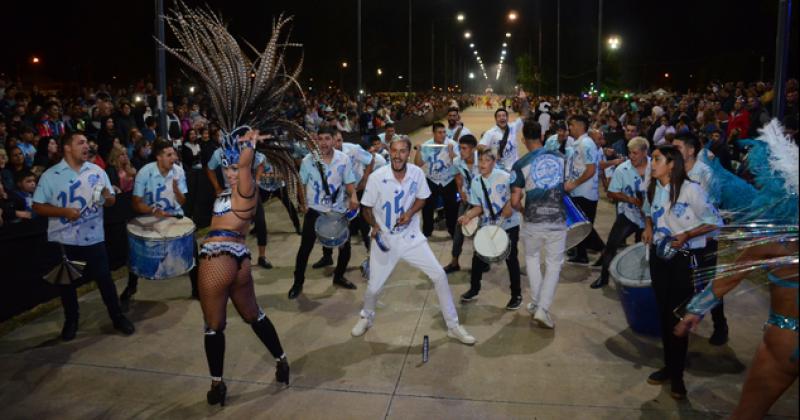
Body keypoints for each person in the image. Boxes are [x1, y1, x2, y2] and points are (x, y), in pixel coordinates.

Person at [350, 136, 476, 345]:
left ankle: (453, 326)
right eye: (394, 151)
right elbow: (366, 208)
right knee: (373, 288)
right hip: (385, 240)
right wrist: (374, 225)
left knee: (439, 276)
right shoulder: (376, 177)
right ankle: (366, 317)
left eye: (402, 151)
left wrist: (410, 213)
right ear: (389, 152)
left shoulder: (417, 173)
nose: (397, 156)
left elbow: (422, 198)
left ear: (408, 154)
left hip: (411, 239)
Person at [32, 132, 135, 341]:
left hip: (94, 238)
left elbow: (110, 200)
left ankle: (117, 317)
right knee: (67, 285)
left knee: (105, 280)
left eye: (87, 142)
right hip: (64, 240)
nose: (86, 146)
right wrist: (63, 212)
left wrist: (108, 198)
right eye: (81, 143)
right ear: (67, 148)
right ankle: (71, 322)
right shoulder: (51, 175)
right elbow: (37, 206)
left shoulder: (97, 171)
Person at [641, 145, 720, 400]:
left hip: (683, 261)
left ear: (671, 164)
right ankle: (668, 366)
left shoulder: (691, 190)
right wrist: (649, 226)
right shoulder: (654, 188)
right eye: (652, 159)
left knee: (678, 317)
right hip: (659, 258)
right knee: (664, 314)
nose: (651, 163)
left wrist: (687, 234)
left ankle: (678, 377)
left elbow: (714, 222)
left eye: (656, 159)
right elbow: (649, 213)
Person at [121, 140, 197, 308]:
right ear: (159, 157)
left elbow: (183, 200)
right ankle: (131, 286)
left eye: (174, 154)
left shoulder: (178, 171)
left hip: (174, 216)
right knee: (135, 251)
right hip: (150, 218)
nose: (174, 158)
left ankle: (196, 288)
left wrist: (176, 189)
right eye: (169, 155)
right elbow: (135, 203)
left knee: (193, 250)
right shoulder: (144, 173)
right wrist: (152, 211)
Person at [289, 126, 359, 299]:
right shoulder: (308, 161)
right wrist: (303, 202)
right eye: (320, 139)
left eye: (327, 138)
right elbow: (301, 183)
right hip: (315, 210)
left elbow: (349, 183)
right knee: (305, 249)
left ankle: (339, 276)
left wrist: (354, 197)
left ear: (335, 140)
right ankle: (298, 282)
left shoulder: (343, 160)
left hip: (337, 210)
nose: (323, 143)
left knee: (345, 247)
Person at [510, 120, 568, 328]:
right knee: (554, 265)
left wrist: (525, 211)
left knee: (532, 259)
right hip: (558, 220)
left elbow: (515, 202)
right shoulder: (561, 158)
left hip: (533, 221)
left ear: (524, 140)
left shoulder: (520, 165)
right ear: (542, 136)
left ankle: (537, 304)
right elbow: (567, 186)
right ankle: (542, 308)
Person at [673, 133, 729, 345]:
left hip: (704, 237)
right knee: (684, 281)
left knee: (707, 283)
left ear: (690, 150)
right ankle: (684, 320)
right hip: (683, 236)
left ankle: (719, 325)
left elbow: (711, 210)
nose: (674, 151)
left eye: (678, 147)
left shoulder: (705, 173)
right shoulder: (676, 170)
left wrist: (697, 234)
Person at [458, 149, 521, 309]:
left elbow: (519, 193)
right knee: (478, 256)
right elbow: (478, 206)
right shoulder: (476, 182)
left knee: (510, 258)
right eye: (480, 161)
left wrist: (509, 205)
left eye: (486, 160)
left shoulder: (505, 177)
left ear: (494, 162)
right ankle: (474, 288)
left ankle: (516, 294)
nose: (482, 164)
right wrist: (468, 216)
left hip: (509, 224)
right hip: (488, 225)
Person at [591, 137, 649, 289]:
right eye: (630, 153)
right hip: (629, 214)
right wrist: (630, 199)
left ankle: (640, 281)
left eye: (635, 153)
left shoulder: (656, 167)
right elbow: (611, 193)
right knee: (612, 245)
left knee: (644, 251)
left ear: (644, 152)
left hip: (650, 219)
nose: (631, 156)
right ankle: (603, 277)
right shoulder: (622, 169)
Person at [565, 115, 604, 264]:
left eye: (572, 125)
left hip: (585, 193)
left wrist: (574, 184)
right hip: (578, 191)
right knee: (580, 226)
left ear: (581, 126)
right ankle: (581, 255)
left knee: (585, 227)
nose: (570, 128)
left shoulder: (586, 144)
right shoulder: (579, 143)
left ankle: (605, 251)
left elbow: (591, 169)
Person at [443, 134, 480, 273]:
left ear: (473, 149)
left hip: (481, 204)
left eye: (464, 148)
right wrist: (460, 191)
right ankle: (454, 262)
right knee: (458, 232)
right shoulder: (458, 161)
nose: (461, 151)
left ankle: (482, 261)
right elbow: (456, 175)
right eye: (460, 148)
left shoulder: (483, 161)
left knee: (480, 233)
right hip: (466, 201)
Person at [414, 122, 459, 238]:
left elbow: (459, 163)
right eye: (439, 132)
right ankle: (427, 231)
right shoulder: (427, 145)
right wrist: (418, 150)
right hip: (432, 180)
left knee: (452, 208)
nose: (442, 135)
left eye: (444, 132)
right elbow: (418, 163)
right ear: (433, 133)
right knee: (427, 207)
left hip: (448, 180)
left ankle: (453, 230)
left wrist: (451, 152)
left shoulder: (452, 144)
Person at [478, 92, 529, 171]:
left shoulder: (513, 126)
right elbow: (480, 146)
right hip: (500, 170)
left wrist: (524, 100)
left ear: (507, 118)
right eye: (499, 116)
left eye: (504, 116)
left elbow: (525, 115)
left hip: (515, 168)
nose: (502, 118)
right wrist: (493, 152)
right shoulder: (491, 132)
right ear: (495, 119)